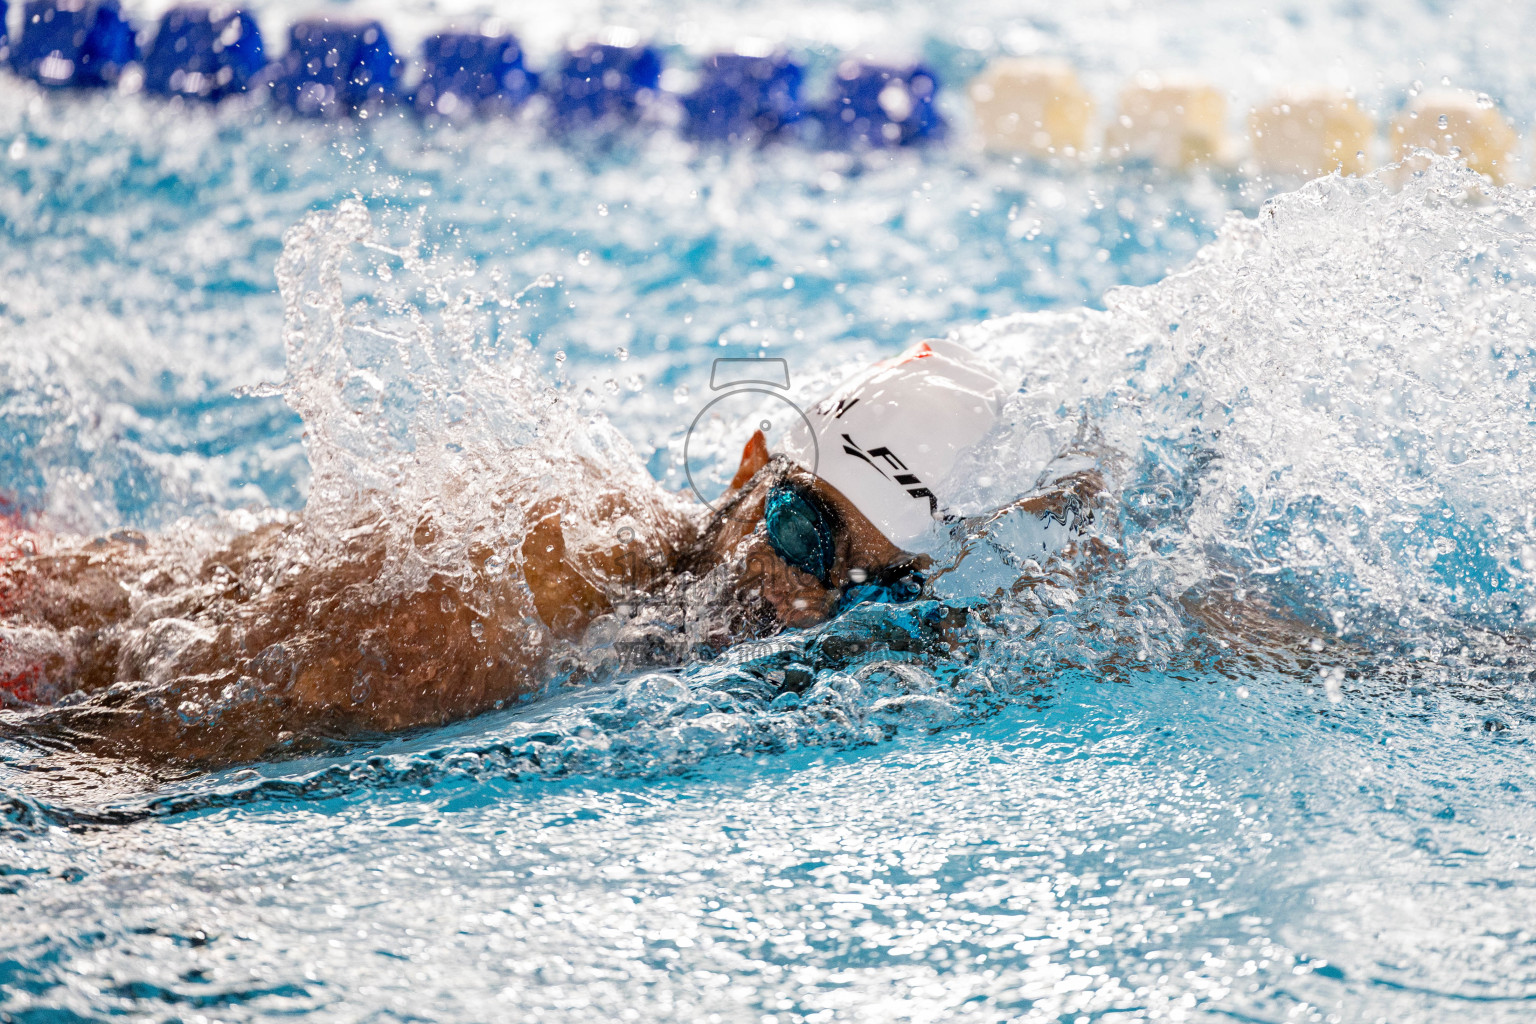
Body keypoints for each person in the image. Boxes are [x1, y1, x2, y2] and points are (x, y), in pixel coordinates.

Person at [0, 340, 1109, 769]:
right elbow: (109, 756)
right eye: (802, 532)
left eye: (869, 587)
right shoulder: (499, 600)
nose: (804, 605)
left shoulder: (680, 626)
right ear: (747, 467)